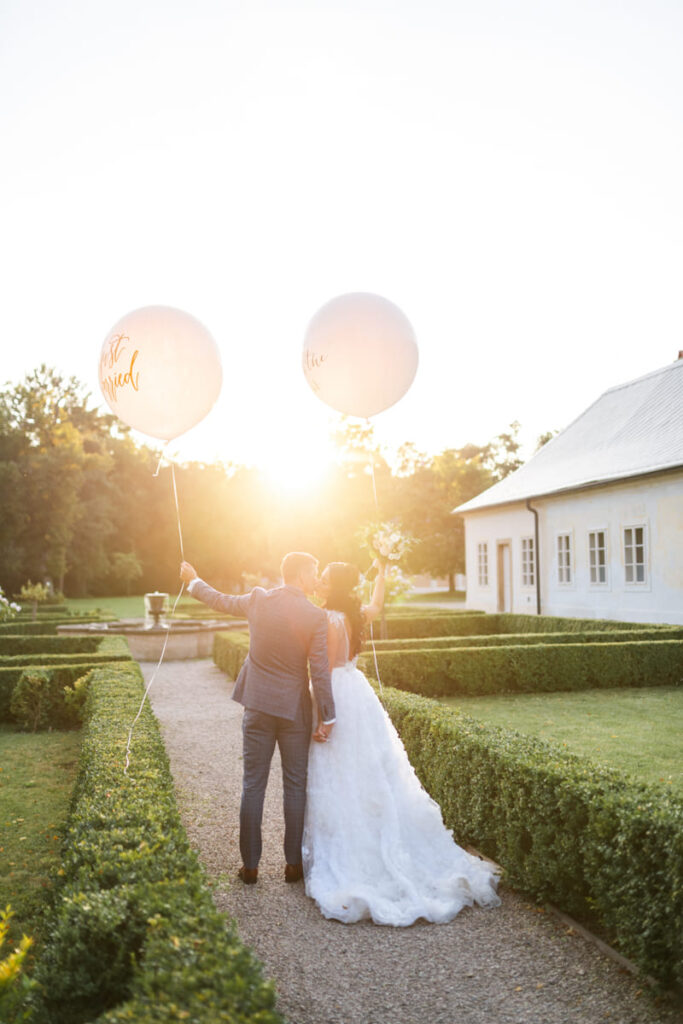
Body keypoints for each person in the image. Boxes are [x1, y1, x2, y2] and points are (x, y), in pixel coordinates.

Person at [302, 560, 501, 925]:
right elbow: (377, 605)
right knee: (371, 767)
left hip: (338, 696)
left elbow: (324, 670)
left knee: (341, 771)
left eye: (325, 579)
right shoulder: (356, 613)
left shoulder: (328, 619)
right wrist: (380, 574)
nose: (320, 583)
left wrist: (323, 715)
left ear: (335, 586)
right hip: (358, 691)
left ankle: (356, 849)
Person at [180, 553, 335, 885]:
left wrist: (193, 580)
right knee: (295, 786)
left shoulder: (257, 599)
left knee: (253, 785)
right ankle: (293, 865)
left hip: (258, 707)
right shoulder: (315, 615)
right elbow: (319, 671)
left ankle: (249, 866)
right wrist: (328, 715)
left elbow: (219, 600)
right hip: (294, 711)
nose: (317, 576)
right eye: (315, 571)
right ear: (302, 574)